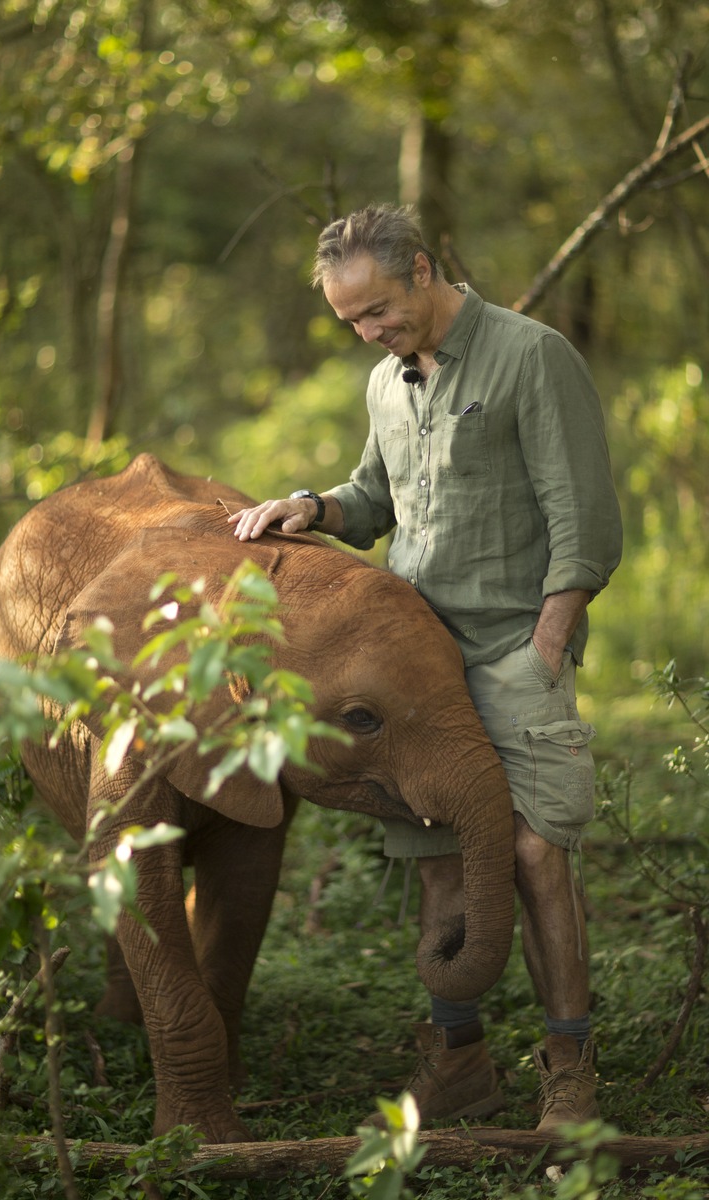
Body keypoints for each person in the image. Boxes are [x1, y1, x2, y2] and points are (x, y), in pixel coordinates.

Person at [228, 203, 623, 1131]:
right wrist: (311, 506)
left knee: (533, 855)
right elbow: (375, 498)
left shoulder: (532, 357)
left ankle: (570, 1067)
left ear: (423, 268)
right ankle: (460, 1064)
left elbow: (587, 520)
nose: (371, 332)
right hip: (417, 670)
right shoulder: (385, 384)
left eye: (379, 311)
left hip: (516, 649)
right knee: (444, 864)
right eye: (353, 323)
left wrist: (547, 647)